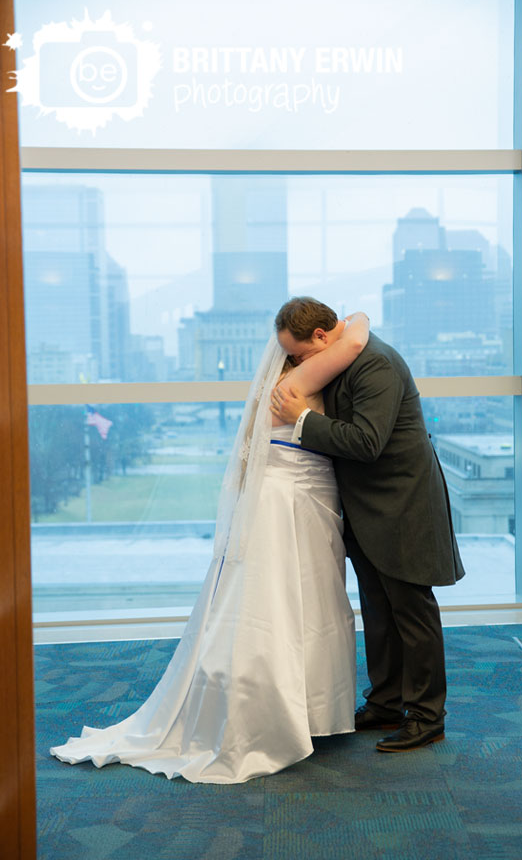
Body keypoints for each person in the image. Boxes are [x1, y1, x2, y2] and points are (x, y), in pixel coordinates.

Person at [50, 314, 373, 783]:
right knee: (291, 600)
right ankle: (281, 710)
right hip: (292, 499)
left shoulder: (289, 375)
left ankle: (309, 708)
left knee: (303, 600)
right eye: (295, 349)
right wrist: (357, 320)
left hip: (297, 495)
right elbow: (354, 343)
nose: (300, 356)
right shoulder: (301, 375)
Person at [270, 297, 465, 753]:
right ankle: (385, 702)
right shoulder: (345, 354)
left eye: (298, 354)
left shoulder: (374, 364)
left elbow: (367, 441)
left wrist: (301, 419)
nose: (296, 363)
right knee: (379, 612)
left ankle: (427, 717)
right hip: (364, 505)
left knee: (412, 614)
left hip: (402, 504)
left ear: (321, 337)